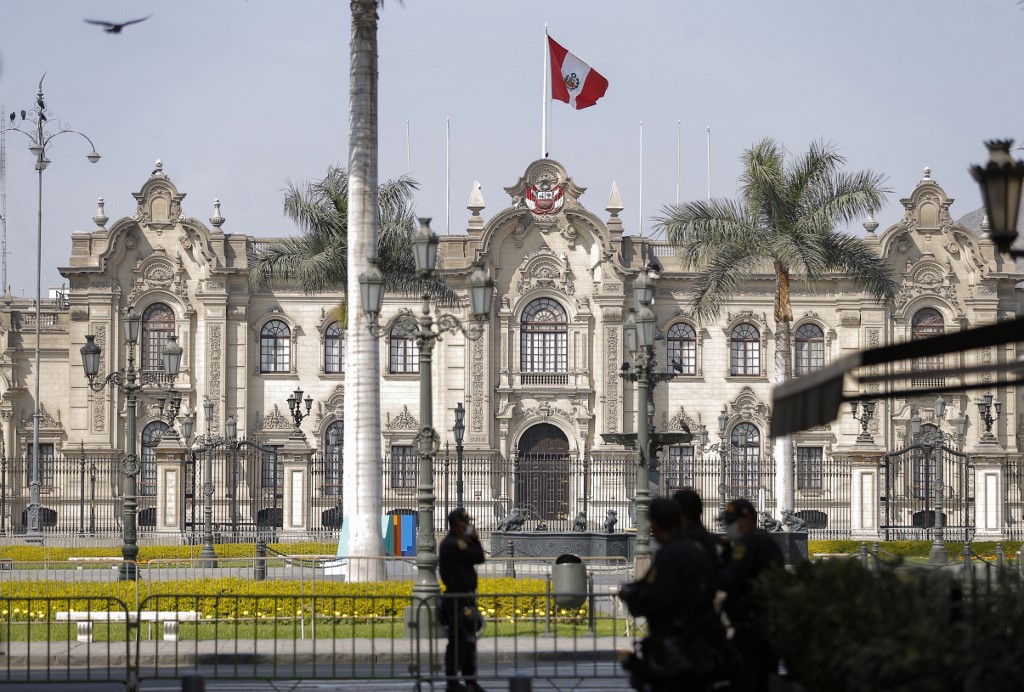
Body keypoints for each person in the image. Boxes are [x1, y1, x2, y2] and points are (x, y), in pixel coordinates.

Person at [618, 498, 719, 691]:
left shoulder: (670, 554)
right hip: (698, 640)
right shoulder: (695, 549)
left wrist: (631, 595)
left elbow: (657, 597)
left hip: (674, 646)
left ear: (655, 524)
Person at [718, 499, 785, 692]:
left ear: (747, 520)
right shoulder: (766, 541)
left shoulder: (746, 544)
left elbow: (729, 579)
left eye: (732, 521)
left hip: (750, 626)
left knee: (747, 679)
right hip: (766, 624)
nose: (729, 527)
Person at [438, 507, 486, 692]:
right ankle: (453, 682)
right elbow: (479, 556)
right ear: (457, 524)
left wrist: (471, 538)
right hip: (456, 599)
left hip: (465, 598)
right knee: (457, 643)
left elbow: (477, 558)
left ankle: (470, 681)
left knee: (468, 643)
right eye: (465, 523)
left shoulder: (457, 542)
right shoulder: (453, 544)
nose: (469, 525)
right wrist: (474, 538)